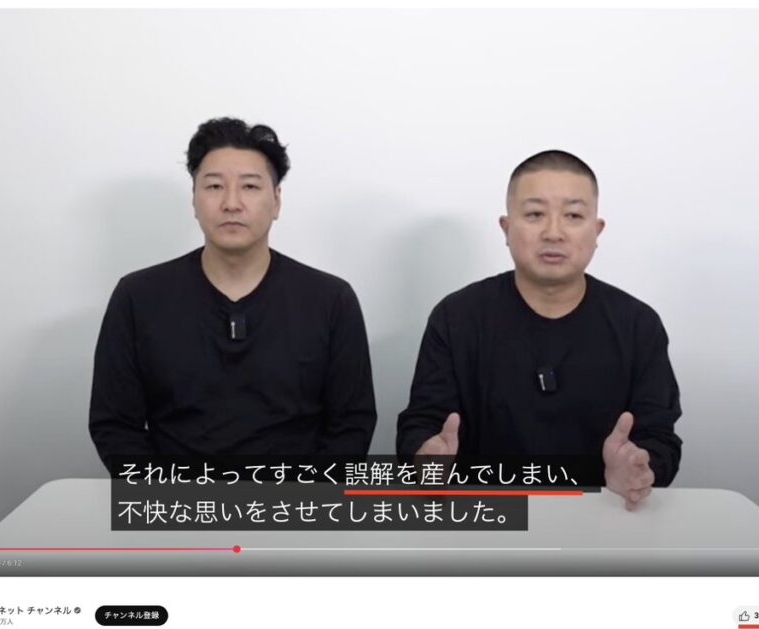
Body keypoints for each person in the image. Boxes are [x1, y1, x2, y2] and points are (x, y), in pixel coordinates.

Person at [396, 150, 681, 510]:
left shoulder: (638, 325)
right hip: (485, 517)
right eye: (534, 214)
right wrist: (427, 458)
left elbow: (659, 438)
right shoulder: (457, 317)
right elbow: (421, 424)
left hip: (604, 515)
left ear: (597, 230)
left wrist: (639, 468)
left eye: (573, 216)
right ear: (506, 228)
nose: (553, 233)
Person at [90, 117, 376, 475]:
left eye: (250, 186)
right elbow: (115, 425)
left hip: (295, 501)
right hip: (175, 501)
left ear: (276, 201)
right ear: (194, 200)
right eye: (214, 186)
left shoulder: (331, 300)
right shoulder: (138, 297)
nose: (231, 203)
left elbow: (352, 424)